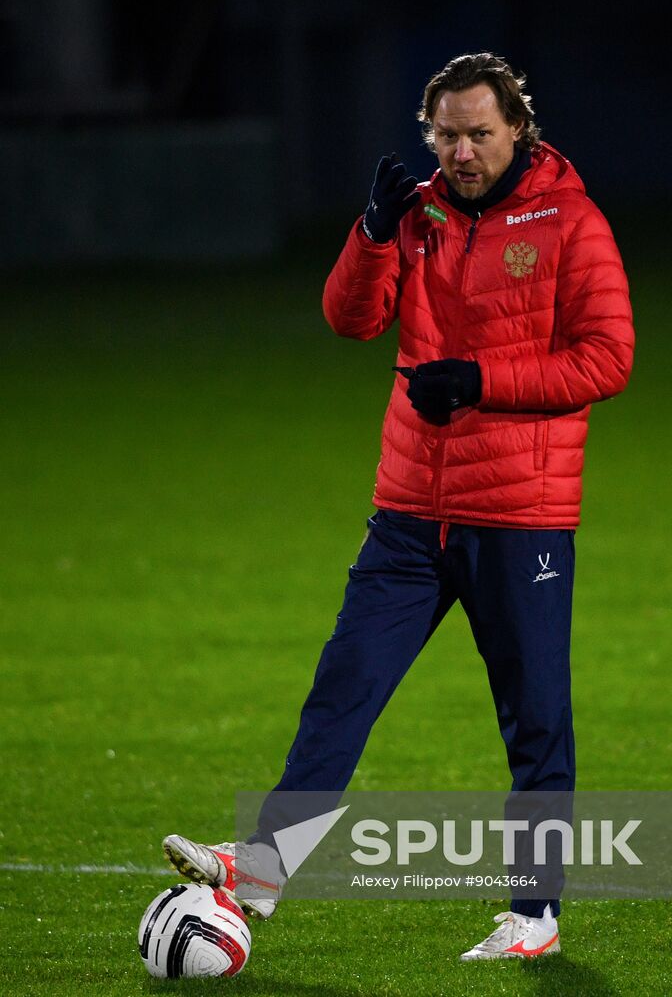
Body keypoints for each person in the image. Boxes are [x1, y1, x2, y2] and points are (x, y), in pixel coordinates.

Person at [162, 51, 634, 961]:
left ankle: (535, 916)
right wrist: (372, 232)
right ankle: (260, 872)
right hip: (411, 508)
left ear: (516, 129)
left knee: (534, 718)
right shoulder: (413, 218)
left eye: (478, 134)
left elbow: (606, 358)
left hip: (520, 516)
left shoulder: (569, 221)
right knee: (343, 691)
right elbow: (351, 318)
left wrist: (483, 381)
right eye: (445, 134)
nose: (460, 151)